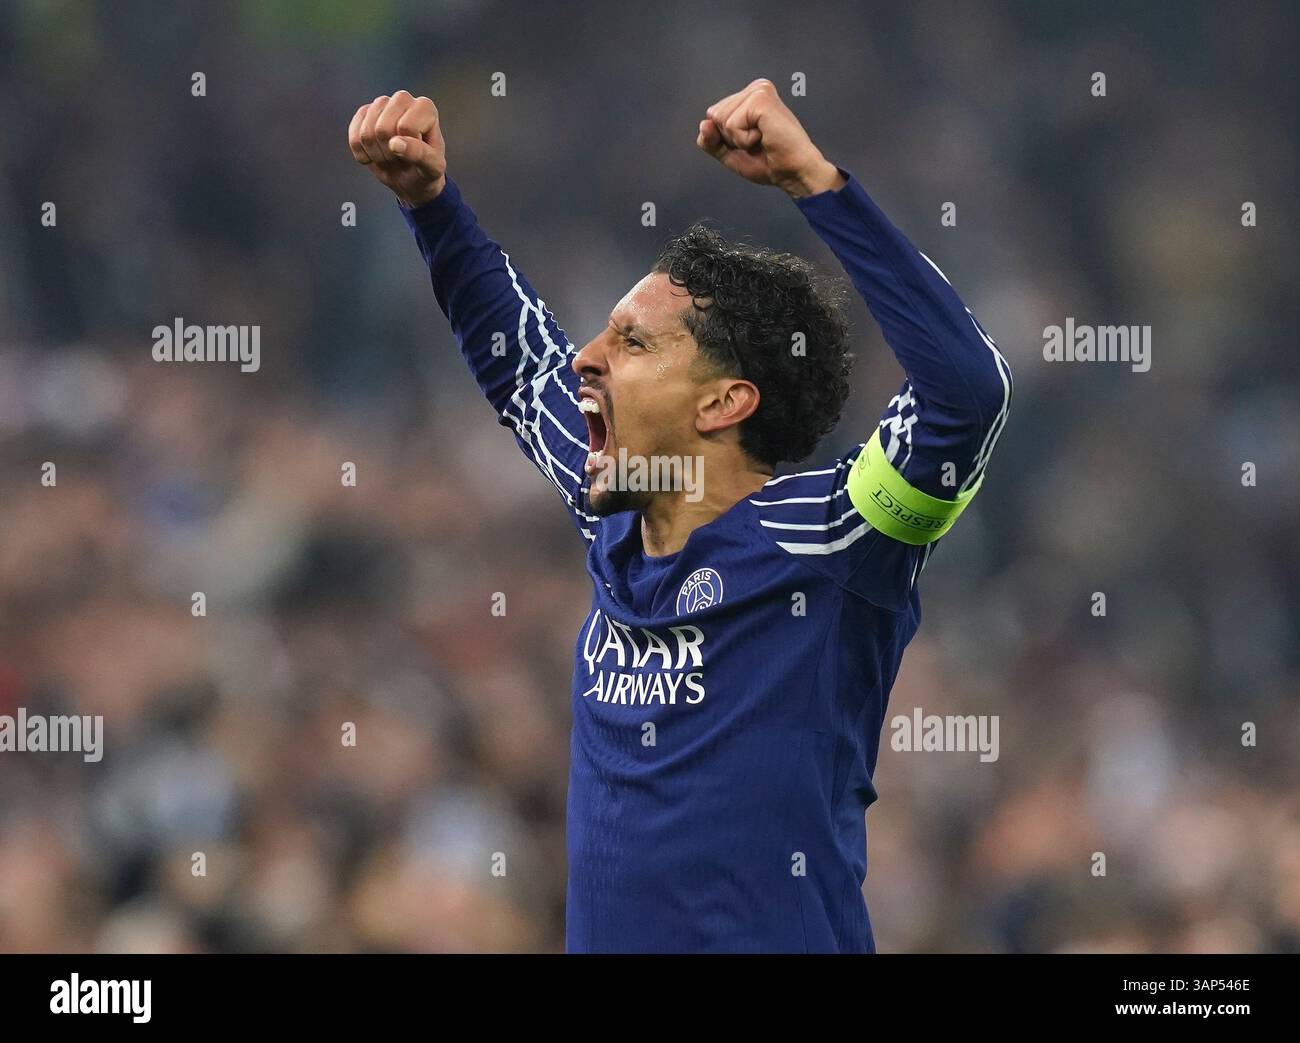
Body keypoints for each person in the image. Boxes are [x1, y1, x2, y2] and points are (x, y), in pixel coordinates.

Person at [348, 77, 1012, 952]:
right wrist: (431, 204)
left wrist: (816, 182)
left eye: (630, 341)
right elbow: (521, 364)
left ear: (724, 402)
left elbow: (967, 394)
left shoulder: (834, 536)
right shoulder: (616, 516)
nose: (586, 358)